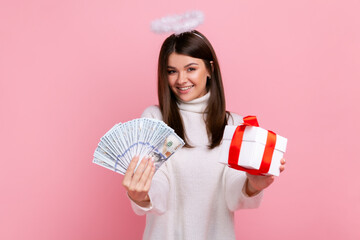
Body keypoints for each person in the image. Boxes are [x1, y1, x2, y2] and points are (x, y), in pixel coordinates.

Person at [122, 30, 286, 240]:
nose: (181, 80)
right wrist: (142, 195)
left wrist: (253, 185)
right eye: (172, 71)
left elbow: (232, 195)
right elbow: (159, 188)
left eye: (191, 69)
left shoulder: (233, 124)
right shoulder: (154, 119)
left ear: (210, 69)